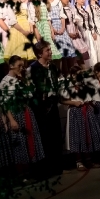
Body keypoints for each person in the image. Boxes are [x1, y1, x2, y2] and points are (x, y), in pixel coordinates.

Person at [0, 55, 45, 173]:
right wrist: (11, 119)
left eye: (22, 66)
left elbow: (29, 94)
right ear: (11, 66)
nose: (21, 68)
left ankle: (32, 168)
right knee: (19, 142)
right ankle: (22, 172)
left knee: (30, 138)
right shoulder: (5, 82)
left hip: (26, 111)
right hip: (15, 113)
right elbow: (4, 103)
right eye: (19, 66)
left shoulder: (21, 79)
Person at [26, 41, 64, 177]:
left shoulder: (52, 67)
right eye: (47, 50)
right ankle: (46, 169)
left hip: (52, 104)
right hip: (40, 107)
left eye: (49, 49)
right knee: (44, 137)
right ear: (40, 53)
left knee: (55, 135)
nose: (50, 52)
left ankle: (57, 166)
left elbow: (59, 83)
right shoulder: (33, 68)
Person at [60, 65, 100, 171]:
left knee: (87, 134)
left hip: (86, 109)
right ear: (73, 74)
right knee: (77, 136)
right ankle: (79, 161)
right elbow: (62, 100)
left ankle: (88, 160)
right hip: (75, 111)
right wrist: (74, 102)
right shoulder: (67, 84)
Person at [63, 0, 90, 69]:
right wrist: (68, 34)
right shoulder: (60, 9)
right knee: (72, 57)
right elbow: (62, 24)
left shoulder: (71, 8)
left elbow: (75, 20)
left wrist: (76, 30)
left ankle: (85, 72)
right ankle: (73, 73)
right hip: (67, 31)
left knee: (80, 56)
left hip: (74, 31)